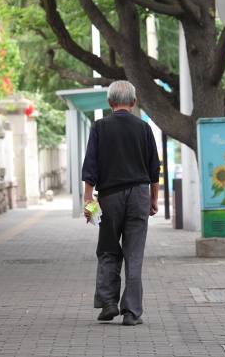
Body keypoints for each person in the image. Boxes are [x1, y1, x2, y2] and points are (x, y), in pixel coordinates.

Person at [82, 80, 160, 326]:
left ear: (109, 102)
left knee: (107, 248)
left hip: (110, 197)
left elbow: (91, 167)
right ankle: (131, 313)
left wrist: (88, 199)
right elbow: (153, 168)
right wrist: (154, 199)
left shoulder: (100, 127)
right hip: (139, 194)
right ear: (134, 102)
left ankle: (108, 303)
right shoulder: (143, 128)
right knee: (134, 253)